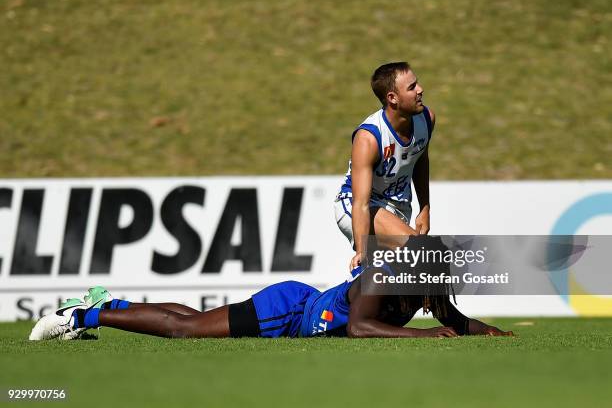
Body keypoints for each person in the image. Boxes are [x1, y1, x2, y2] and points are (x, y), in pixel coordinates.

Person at [30, 237, 513, 340]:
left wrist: (487, 331)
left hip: (298, 306)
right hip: (287, 313)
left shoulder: (423, 286)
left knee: (199, 320)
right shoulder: (382, 277)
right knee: (186, 331)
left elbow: (454, 321)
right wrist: (424, 337)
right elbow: (360, 328)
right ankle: (80, 316)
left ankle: (110, 305)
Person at [335, 62, 434, 269]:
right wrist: (362, 250)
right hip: (358, 208)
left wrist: (424, 208)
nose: (420, 90)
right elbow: (361, 203)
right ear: (392, 98)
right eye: (412, 87)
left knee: (407, 276)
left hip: (397, 208)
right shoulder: (369, 138)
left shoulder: (427, 119)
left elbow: (420, 159)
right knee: (421, 254)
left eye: (417, 84)